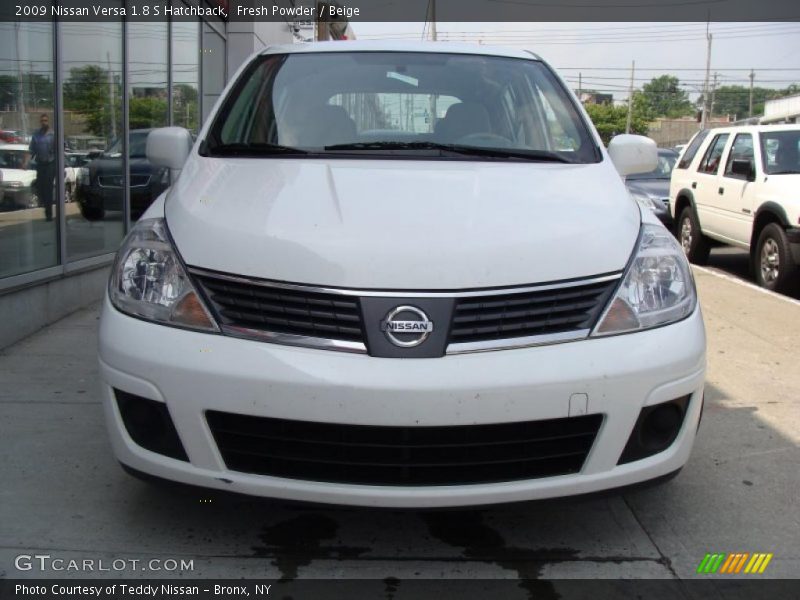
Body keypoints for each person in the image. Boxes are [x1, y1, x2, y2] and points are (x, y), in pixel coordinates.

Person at [26, 113, 56, 221]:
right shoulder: (36, 135)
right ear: (40, 122)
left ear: (48, 122)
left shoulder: (54, 135)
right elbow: (31, 150)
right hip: (40, 165)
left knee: (48, 188)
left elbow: (61, 150)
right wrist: (25, 163)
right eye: (42, 121)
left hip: (50, 164)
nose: (44, 122)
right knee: (40, 188)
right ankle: (45, 204)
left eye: (46, 121)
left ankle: (48, 214)